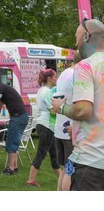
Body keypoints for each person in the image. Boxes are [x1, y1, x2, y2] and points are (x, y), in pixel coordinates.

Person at [52, 19, 104, 191]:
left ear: (87, 36)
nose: (76, 43)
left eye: (77, 37)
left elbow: (83, 110)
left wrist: (61, 107)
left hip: (91, 162)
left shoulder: (86, 65)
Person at [0, 70, 28, 175]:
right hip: (21, 116)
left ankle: (10, 169)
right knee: (13, 141)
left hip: (18, 117)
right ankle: (15, 167)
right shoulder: (2, 88)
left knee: (11, 143)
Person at [26, 69, 60, 187]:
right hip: (47, 125)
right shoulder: (47, 92)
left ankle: (61, 179)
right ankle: (31, 180)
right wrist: (63, 108)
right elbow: (53, 111)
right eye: (55, 76)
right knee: (41, 153)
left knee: (54, 155)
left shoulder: (42, 90)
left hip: (46, 125)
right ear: (49, 78)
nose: (57, 78)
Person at [53, 51, 81, 191]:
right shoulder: (78, 75)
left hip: (59, 128)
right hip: (70, 128)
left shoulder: (63, 74)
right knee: (70, 169)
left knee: (65, 168)